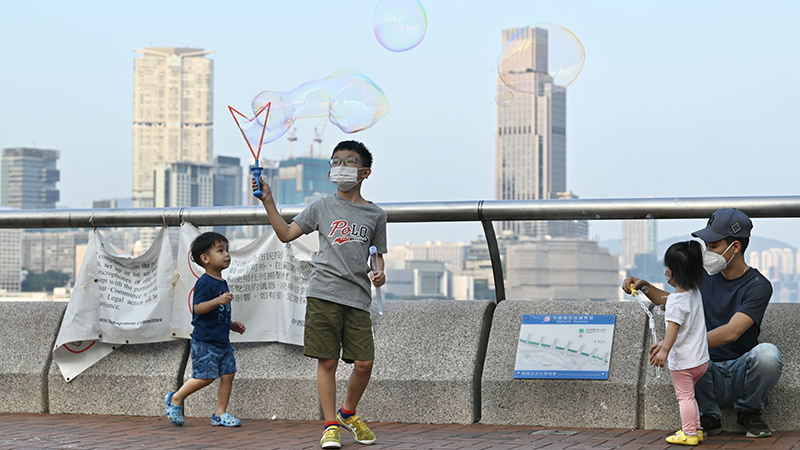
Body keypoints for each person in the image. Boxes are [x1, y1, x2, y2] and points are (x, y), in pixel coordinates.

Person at [253, 140, 387, 449]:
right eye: (335, 161)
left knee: (364, 363)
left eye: (349, 162)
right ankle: (330, 426)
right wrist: (268, 201)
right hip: (323, 292)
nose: (341, 168)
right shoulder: (321, 206)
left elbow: (376, 256)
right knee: (327, 362)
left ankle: (347, 413)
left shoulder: (376, 215)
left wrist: (379, 273)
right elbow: (286, 234)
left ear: (365, 172)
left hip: (357, 297)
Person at [623, 208, 782, 439]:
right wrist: (644, 286)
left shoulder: (758, 285)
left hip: (740, 369)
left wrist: (678, 343)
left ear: (735, 247)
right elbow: (675, 301)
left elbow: (732, 331)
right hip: (705, 369)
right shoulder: (703, 277)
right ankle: (709, 417)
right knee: (688, 360)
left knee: (768, 354)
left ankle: (749, 411)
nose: (707, 252)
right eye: (706, 246)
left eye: (713, 246)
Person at [165, 231, 246, 427]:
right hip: (205, 341)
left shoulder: (221, 282)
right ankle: (176, 398)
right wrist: (218, 300)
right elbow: (198, 308)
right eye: (220, 250)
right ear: (205, 258)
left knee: (228, 375)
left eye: (227, 250)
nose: (226, 254)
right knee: (205, 377)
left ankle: (220, 413)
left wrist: (231, 324)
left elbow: (218, 312)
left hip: (222, 341)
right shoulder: (204, 282)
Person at [649, 241, 709, 446]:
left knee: (684, 398)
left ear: (673, 271)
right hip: (700, 360)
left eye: (667, 266)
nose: (665, 270)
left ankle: (689, 434)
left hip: (684, 362)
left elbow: (673, 328)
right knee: (690, 396)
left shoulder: (675, 300)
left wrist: (664, 350)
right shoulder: (695, 293)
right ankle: (698, 429)